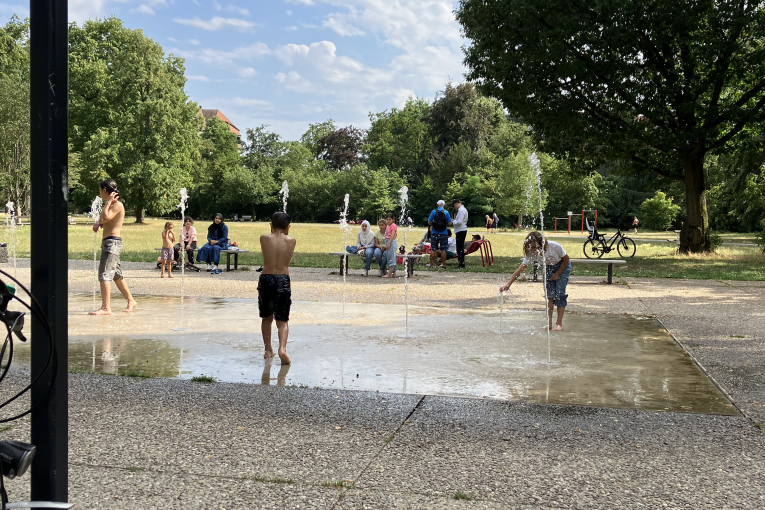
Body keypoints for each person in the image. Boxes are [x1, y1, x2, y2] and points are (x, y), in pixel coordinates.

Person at [500, 231, 571, 331]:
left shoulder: (554, 247)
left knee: (560, 294)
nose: (532, 250)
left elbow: (566, 259)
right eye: (530, 247)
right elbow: (520, 269)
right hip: (548, 269)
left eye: (534, 247)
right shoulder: (531, 254)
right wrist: (508, 285)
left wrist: (557, 274)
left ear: (542, 244)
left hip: (562, 267)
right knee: (549, 296)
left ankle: (559, 324)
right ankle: (549, 324)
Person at [89, 178, 137, 315]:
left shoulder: (116, 204)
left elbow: (105, 218)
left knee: (104, 274)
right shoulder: (111, 205)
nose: (100, 194)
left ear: (105, 190)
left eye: (100, 191)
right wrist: (99, 224)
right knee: (116, 275)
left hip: (112, 243)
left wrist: (108, 202)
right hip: (109, 242)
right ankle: (131, 300)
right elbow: (105, 220)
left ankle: (105, 308)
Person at [259, 211, 297, 365]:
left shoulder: (264, 238)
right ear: (288, 227)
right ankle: (282, 349)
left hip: (266, 278)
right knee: (282, 320)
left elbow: (271, 236)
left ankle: (268, 349)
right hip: (283, 279)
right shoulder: (291, 241)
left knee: (267, 318)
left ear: (270, 225)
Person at [428, 200, 453, 269]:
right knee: (443, 249)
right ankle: (444, 264)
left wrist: (434, 224)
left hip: (434, 233)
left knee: (433, 249)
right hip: (443, 233)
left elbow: (429, 222)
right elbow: (450, 223)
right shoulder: (446, 212)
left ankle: (431, 264)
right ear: (444, 205)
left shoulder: (433, 212)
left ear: (437, 204)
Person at [452, 199, 468, 269]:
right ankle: (461, 263)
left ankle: (461, 264)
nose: (455, 207)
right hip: (461, 229)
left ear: (456, 204)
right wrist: (455, 220)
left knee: (459, 248)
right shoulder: (462, 210)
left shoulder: (461, 211)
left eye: (454, 206)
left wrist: (453, 222)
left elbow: (459, 222)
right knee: (459, 247)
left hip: (460, 230)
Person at [381, 213, 398, 278]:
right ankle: (393, 273)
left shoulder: (393, 225)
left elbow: (392, 235)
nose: (388, 221)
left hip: (391, 241)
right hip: (388, 241)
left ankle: (389, 274)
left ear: (393, 220)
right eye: (387, 219)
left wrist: (389, 243)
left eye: (390, 219)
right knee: (389, 257)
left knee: (391, 258)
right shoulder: (388, 226)